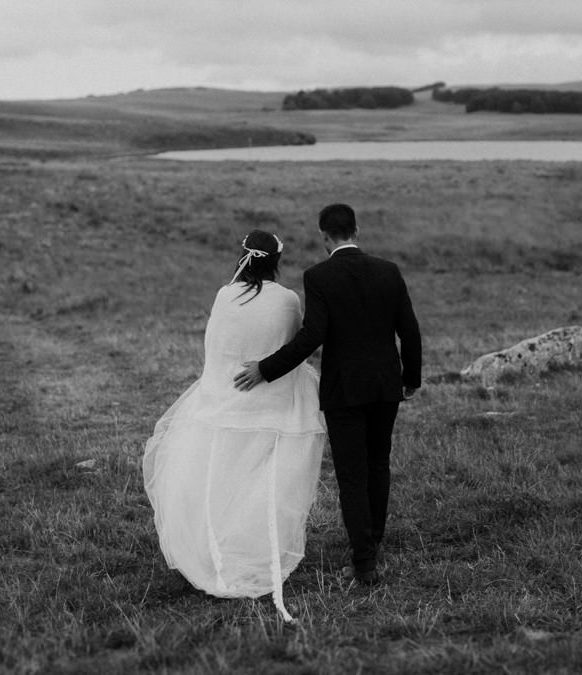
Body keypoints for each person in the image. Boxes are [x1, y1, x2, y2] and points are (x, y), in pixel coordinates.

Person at [234, 203, 422, 586]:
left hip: (344, 391)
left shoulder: (319, 276)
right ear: (357, 230)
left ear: (324, 237)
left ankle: (364, 563)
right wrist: (411, 378)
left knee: (352, 476)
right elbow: (410, 330)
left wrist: (265, 369)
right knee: (378, 464)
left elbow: (312, 337)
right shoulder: (389, 271)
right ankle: (372, 541)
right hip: (385, 386)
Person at [142, 230, 325, 622]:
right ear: (277, 261)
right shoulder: (288, 300)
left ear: (243, 257)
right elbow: (292, 348)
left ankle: (221, 549)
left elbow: (216, 349)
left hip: (224, 403)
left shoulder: (225, 296)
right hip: (273, 405)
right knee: (263, 481)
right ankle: (252, 550)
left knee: (223, 477)